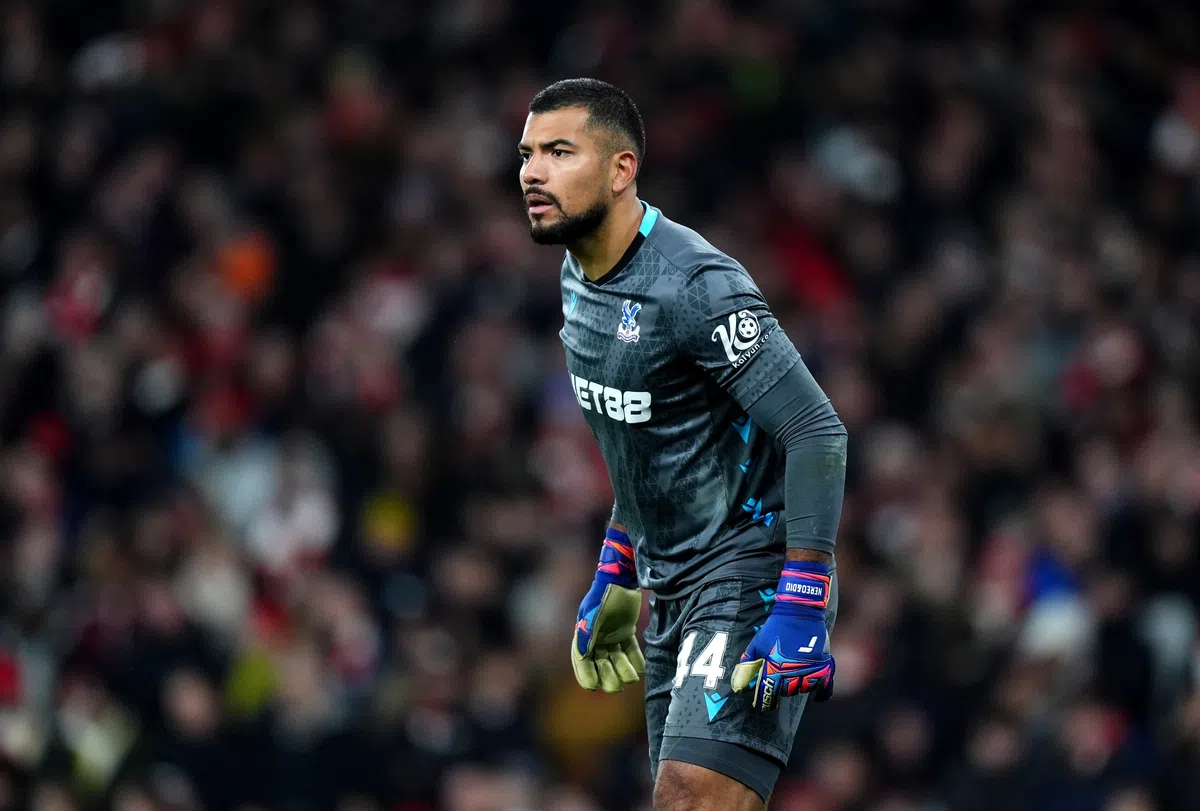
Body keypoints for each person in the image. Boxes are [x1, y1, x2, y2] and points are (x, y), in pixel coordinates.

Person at [518, 78, 849, 810]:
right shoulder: (577, 282)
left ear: (621, 169)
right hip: (670, 588)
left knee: (690, 797)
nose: (533, 173)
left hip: (749, 573)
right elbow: (646, 448)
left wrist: (802, 594)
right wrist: (617, 568)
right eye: (528, 154)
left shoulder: (694, 285)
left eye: (559, 152)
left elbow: (815, 429)